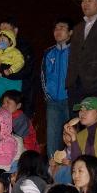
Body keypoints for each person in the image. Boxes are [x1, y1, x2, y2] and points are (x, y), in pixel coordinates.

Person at [42, 20, 73, 151]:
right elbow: (43, 75)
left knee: (72, 136)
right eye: (56, 28)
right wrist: (47, 95)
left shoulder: (75, 50)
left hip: (70, 100)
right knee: (52, 138)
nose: (58, 31)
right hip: (53, 102)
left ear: (70, 32)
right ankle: (51, 169)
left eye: (62, 28)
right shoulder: (48, 52)